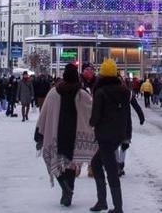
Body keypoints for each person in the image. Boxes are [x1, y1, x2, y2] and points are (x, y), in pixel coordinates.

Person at [35, 63, 97, 208]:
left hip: (55, 135)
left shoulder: (53, 93)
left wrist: (39, 133)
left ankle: (64, 188)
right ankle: (68, 191)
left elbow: (43, 114)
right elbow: (92, 112)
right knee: (71, 164)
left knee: (52, 161)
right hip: (74, 135)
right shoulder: (82, 94)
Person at [89, 59, 130, 213]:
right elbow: (126, 114)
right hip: (118, 134)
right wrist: (126, 134)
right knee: (96, 163)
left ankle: (116, 207)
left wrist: (91, 122)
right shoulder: (124, 92)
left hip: (104, 135)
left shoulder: (100, 92)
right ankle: (103, 202)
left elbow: (95, 117)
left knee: (110, 169)